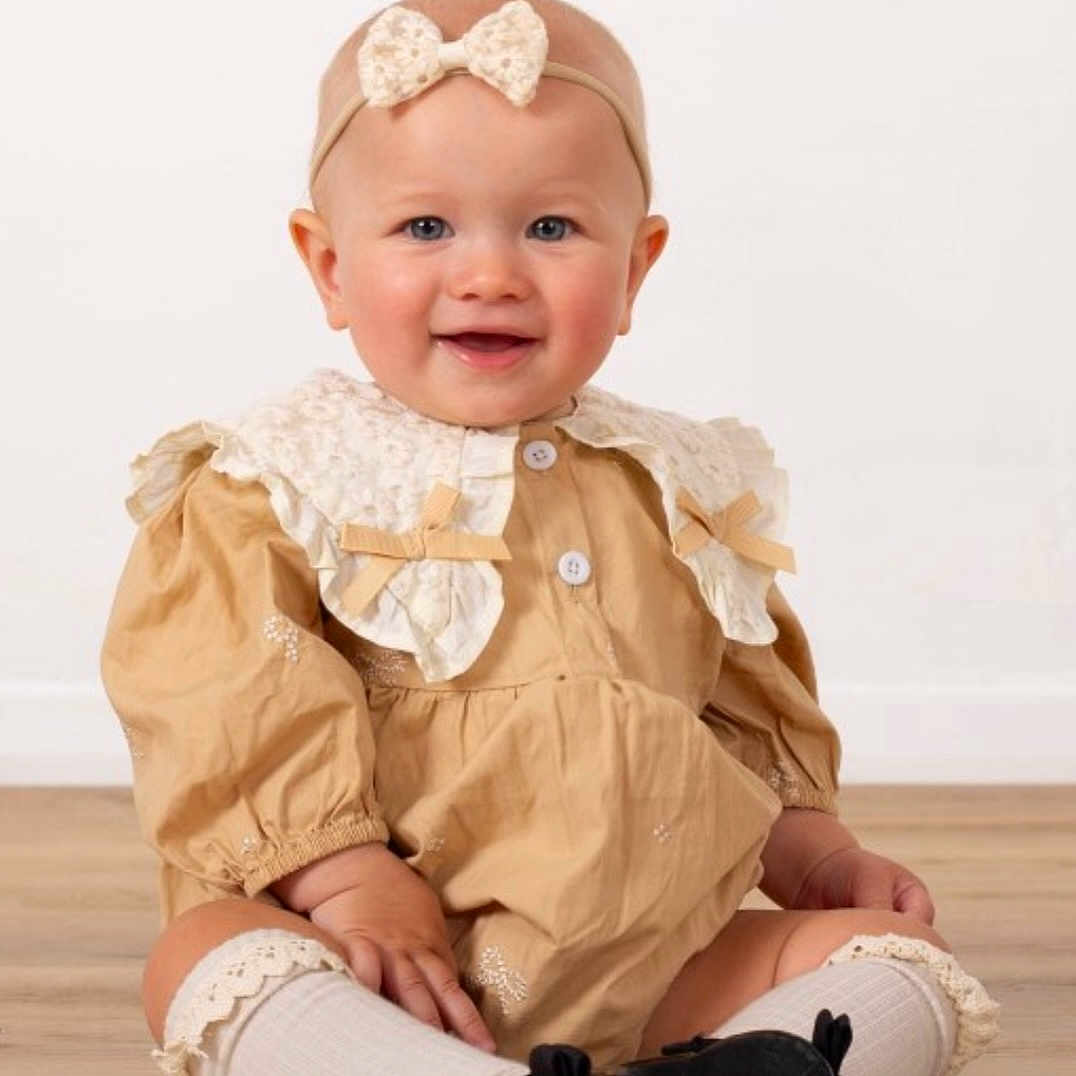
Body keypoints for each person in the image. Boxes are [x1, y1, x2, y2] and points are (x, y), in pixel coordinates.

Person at [100, 2, 1001, 1073]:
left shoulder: (672, 483)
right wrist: (342, 874)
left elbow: (738, 706)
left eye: (550, 228)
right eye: (426, 227)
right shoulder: (275, 478)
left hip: (663, 961)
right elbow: (222, 694)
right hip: (387, 956)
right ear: (329, 264)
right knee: (209, 956)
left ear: (634, 269)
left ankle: (743, 1060)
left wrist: (816, 857)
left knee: (892, 955)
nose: (489, 274)